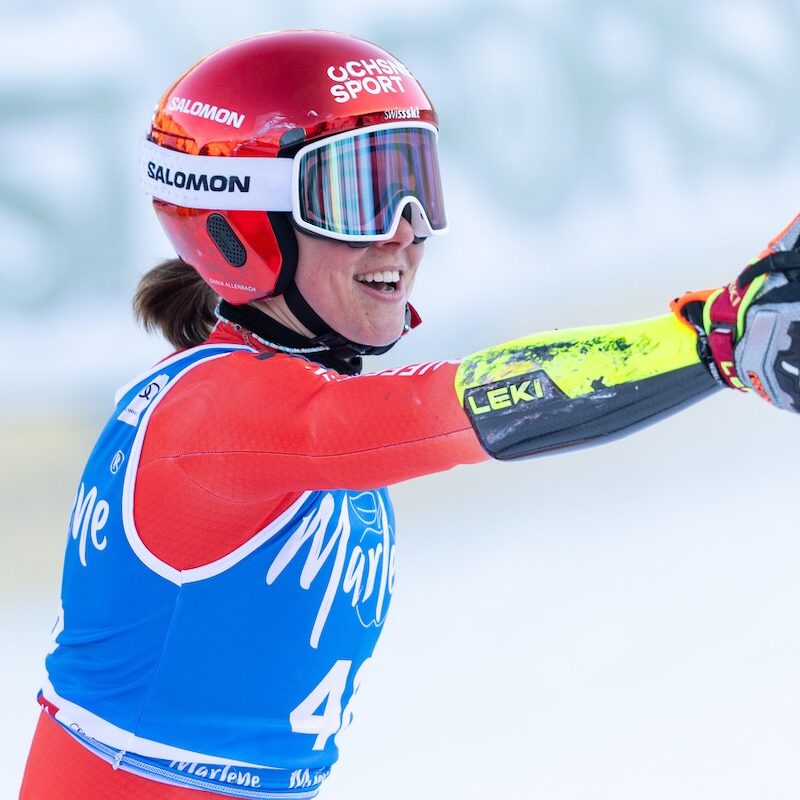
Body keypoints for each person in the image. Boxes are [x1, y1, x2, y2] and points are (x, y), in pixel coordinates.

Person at [19, 28, 800, 800]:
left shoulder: (266, 397)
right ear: (244, 225)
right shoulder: (216, 417)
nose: (405, 229)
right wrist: (714, 339)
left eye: (414, 182)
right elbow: (463, 404)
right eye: (358, 197)